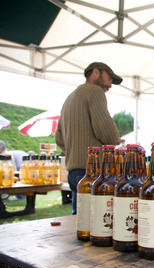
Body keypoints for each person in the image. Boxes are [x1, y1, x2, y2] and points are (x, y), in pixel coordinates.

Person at [55, 62, 122, 215]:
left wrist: (75, 151)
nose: (110, 85)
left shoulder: (70, 97)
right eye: (109, 79)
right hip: (92, 171)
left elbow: (59, 138)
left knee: (79, 223)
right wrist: (115, 138)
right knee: (96, 225)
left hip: (73, 171)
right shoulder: (95, 91)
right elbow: (107, 134)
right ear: (96, 72)